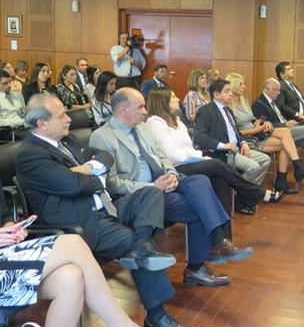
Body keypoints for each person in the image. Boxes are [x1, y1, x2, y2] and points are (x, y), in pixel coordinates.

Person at [15, 93, 194, 327]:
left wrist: (88, 168)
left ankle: (142, 245)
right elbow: (74, 185)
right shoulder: (31, 154)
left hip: (107, 207)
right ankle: (157, 315)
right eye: (62, 116)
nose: (69, 119)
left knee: (151, 193)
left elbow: (105, 156)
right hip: (81, 222)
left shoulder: (67, 141)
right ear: (42, 124)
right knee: (133, 240)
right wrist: (96, 177)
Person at [90, 88, 254, 289]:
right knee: (197, 205)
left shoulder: (143, 129)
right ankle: (201, 261)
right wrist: (153, 185)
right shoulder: (102, 137)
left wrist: (172, 174)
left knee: (200, 181)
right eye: (140, 107)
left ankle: (217, 243)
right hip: (140, 197)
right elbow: (112, 184)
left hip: (163, 183)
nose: (145, 111)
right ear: (123, 109)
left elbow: (161, 157)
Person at [0, 169, 151, 327]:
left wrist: (10, 229)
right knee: (73, 243)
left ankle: (121, 326)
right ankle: (121, 326)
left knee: (71, 278)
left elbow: (4, 214)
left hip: (1, 256)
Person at [146, 87, 279, 216]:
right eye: (173, 97)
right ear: (163, 102)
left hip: (189, 161)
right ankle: (257, 192)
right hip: (174, 168)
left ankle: (224, 225)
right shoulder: (155, 123)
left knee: (220, 179)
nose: (178, 99)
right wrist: (201, 159)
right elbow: (172, 155)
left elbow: (189, 148)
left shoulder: (177, 121)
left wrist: (200, 158)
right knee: (215, 164)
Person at [227, 72, 304, 194]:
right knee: (286, 142)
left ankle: (287, 175)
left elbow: (252, 119)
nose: (244, 86)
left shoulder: (243, 100)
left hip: (257, 132)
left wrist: (261, 123)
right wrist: (254, 130)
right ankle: (289, 174)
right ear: (233, 85)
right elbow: (234, 132)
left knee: (285, 136)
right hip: (247, 139)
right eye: (241, 84)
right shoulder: (228, 105)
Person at [194, 79, 272, 187]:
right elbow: (199, 137)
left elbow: (236, 132)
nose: (231, 93)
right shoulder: (206, 111)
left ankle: (245, 192)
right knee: (253, 167)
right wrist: (223, 146)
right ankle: (246, 192)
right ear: (216, 94)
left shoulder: (228, 110)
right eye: (227, 91)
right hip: (222, 153)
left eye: (230, 90)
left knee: (265, 160)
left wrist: (243, 142)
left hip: (237, 149)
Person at [0, 69, 27, 139]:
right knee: (36, 137)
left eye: (10, 82)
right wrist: (19, 122)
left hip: (24, 127)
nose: (9, 85)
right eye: (5, 83)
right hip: (8, 131)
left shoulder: (18, 95)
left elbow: (24, 113)